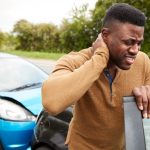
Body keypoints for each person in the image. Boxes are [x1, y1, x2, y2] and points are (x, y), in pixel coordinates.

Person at [42, 3, 150, 150]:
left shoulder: (143, 61)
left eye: (139, 43)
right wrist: (100, 58)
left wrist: (147, 91)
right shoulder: (75, 61)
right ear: (105, 36)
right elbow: (51, 103)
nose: (135, 50)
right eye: (128, 42)